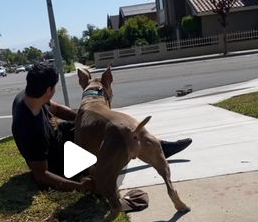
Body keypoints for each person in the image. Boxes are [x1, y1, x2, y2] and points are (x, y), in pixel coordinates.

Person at [11, 62, 192, 193]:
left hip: (62, 136)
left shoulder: (29, 94)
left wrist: (85, 117)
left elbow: (57, 109)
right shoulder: (30, 130)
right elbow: (41, 174)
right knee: (111, 149)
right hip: (63, 160)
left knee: (106, 124)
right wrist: (79, 187)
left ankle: (157, 144)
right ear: (49, 90)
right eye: (55, 88)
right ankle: (154, 149)